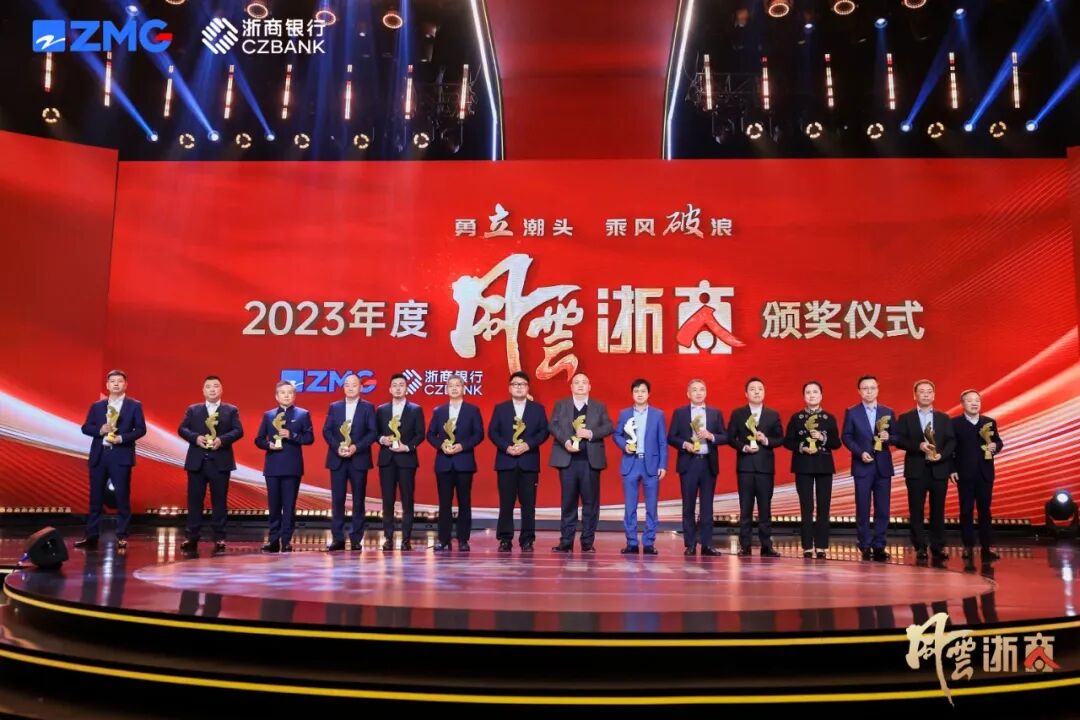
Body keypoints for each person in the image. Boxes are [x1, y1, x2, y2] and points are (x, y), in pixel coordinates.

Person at [76, 369, 147, 550]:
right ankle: (91, 535)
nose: (116, 384)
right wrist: (100, 430)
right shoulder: (97, 406)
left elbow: (141, 429)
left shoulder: (134, 405)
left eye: (119, 381)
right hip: (99, 456)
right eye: (112, 381)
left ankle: (122, 535)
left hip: (121, 455)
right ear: (107, 385)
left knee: (122, 497)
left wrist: (121, 438)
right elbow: (86, 427)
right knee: (95, 498)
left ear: (125, 385)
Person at [548, 372, 613, 553]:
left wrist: (591, 433)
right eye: (577, 382)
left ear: (589, 386)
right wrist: (565, 442)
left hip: (590, 462)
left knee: (590, 504)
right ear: (571, 387)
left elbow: (609, 426)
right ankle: (566, 542)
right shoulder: (561, 404)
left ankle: (587, 542)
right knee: (568, 502)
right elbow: (553, 425)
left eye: (584, 382)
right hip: (567, 460)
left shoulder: (599, 406)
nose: (581, 385)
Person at [178, 375, 244, 554]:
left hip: (220, 462)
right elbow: (182, 429)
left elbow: (238, 431)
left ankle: (220, 537)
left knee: (219, 502)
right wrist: (196, 438)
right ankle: (192, 536)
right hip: (197, 462)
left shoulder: (231, 410)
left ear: (221, 390)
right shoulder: (193, 410)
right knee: (194, 501)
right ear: (203, 390)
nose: (212, 389)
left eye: (216, 386)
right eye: (208, 386)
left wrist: (221, 440)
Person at [488, 371, 549, 552]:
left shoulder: (538, 409)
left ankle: (527, 540)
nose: (519, 387)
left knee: (528, 505)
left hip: (529, 461)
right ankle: (505, 539)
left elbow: (543, 432)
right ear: (509, 388)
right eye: (515, 384)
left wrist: (527, 445)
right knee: (506, 503)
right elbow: (493, 432)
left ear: (528, 387)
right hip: (506, 461)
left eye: (522, 384)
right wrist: (507, 447)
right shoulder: (501, 408)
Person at [896, 379, 956, 562]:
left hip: (939, 469)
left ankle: (938, 546)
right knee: (916, 510)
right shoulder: (906, 418)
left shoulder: (944, 418)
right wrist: (918, 446)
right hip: (916, 469)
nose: (926, 395)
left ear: (934, 395)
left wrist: (942, 455)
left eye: (929, 391)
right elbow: (899, 440)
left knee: (938, 510)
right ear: (915, 395)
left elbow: (951, 441)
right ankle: (920, 547)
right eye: (922, 391)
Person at [841, 375, 899, 561]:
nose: (869, 391)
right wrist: (860, 453)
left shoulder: (888, 412)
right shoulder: (852, 412)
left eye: (872, 388)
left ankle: (880, 544)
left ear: (878, 389)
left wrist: (888, 438)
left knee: (883, 508)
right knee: (863, 508)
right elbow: (846, 436)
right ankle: (865, 544)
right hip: (862, 465)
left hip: (883, 466)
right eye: (865, 388)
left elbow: (897, 437)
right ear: (859, 391)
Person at [667, 379, 727, 556]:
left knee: (707, 507)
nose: (698, 393)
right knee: (688, 506)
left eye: (702, 389)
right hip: (689, 463)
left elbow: (725, 436)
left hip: (708, 463)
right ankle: (690, 544)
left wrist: (711, 436)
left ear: (706, 392)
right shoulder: (680, 413)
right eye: (694, 390)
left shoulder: (715, 413)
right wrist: (684, 444)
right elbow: (671, 437)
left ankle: (707, 544)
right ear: (688, 394)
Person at [254, 381, 314, 553]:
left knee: (289, 506)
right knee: (274, 505)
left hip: (292, 467)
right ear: (276, 396)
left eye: (290, 393)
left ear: (294, 395)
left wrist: (292, 435)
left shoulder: (302, 414)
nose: (286, 395)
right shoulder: (268, 415)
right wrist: (269, 445)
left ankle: (286, 540)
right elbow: (259, 439)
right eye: (282, 393)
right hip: (272, 466)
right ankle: (273, 540)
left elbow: (309, 438)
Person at [783, 381, 841, 559]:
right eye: (808, 392)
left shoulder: (829, 418)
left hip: (824, 466)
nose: (812, 395)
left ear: (821, 395)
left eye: (815, 392)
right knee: (806, 506)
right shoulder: (796, 418)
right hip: (803, 465)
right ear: (804, 396)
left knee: (824, 506)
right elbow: (788, 442)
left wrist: (822, 438)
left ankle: (821, 546)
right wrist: (802, 447)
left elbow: (836, 443)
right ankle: (807, 546)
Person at [426, 376, 484, 552]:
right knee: (444, 503)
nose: (454, 388)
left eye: (457, 385)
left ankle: (463, 539)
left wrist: (462, 446)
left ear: (463, 388)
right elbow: (430, 434)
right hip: (444, 463)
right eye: (450, 385)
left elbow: (478, 434)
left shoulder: (472, 410)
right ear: (446, 389)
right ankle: (444, 539)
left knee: (464, 502)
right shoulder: (439, 411)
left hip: (464, 462)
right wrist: (441, 445)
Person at [728, 377, 784, 557]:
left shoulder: (772, 414)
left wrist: (765, 440)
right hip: (745, 466)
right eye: (752, 389)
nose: (757, 391)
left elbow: (780, 439)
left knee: (765, 508)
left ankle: (766, 545)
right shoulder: (738, 413)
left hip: (765, 468)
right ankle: (745, 545)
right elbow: (730, 438)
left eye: (760, 388)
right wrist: (743, 447)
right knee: (745, 508)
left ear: (764, 392)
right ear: (746, 393)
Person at [322, 374, 377, 552]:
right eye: (347, 385)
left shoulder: (368, 407)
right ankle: (337, 538)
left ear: (361, 387)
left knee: (358, 500)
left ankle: (356, 538)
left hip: (358, 459)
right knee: (337, 500)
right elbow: (327, 431)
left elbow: (372, 432)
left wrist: (356, 447)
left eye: (354, 385)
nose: (350, 388)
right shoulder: (334, 407)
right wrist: (337, 446)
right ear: (343, 387)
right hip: (337, 459)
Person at [612, 379, 667, 555]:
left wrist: (663, 465)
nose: (640, 394)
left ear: (648, 394)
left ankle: (649, 542)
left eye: (643, 391)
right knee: (630, 507)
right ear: (632, 394)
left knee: (651, 507)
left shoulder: (658, 414)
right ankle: (632, 543)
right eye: (636, 391)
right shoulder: (624, 414)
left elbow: (662, 442)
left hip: (651, 465)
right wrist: (624, 446)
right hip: (631, 462)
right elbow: (617, 435)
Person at [949, 389, 1004, 561]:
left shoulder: (989, 422)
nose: (974, 403)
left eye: (977, 401)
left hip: (985, 473)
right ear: (962, 404)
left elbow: (998, 442)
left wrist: (995, 447)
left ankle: (987, 547)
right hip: (964, 474)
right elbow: (950, 449)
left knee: (985, 511)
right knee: (966, 511)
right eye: (970, 401)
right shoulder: (954, 423)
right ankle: (968, 546)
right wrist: (952, 469)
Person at [375, 373, 425, 551]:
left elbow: (420, 434)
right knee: (387, 500)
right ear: (390, 389)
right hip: (387, 460)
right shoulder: (382, 410)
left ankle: (406, 539)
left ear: (407, 389)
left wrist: (407, 447)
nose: (398, 388)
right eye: (395, 385)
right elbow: (375, 433)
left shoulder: (415, 409)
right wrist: (382, 440)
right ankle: (388, 538)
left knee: (407, 500)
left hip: (406, 460)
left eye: (401, 385)